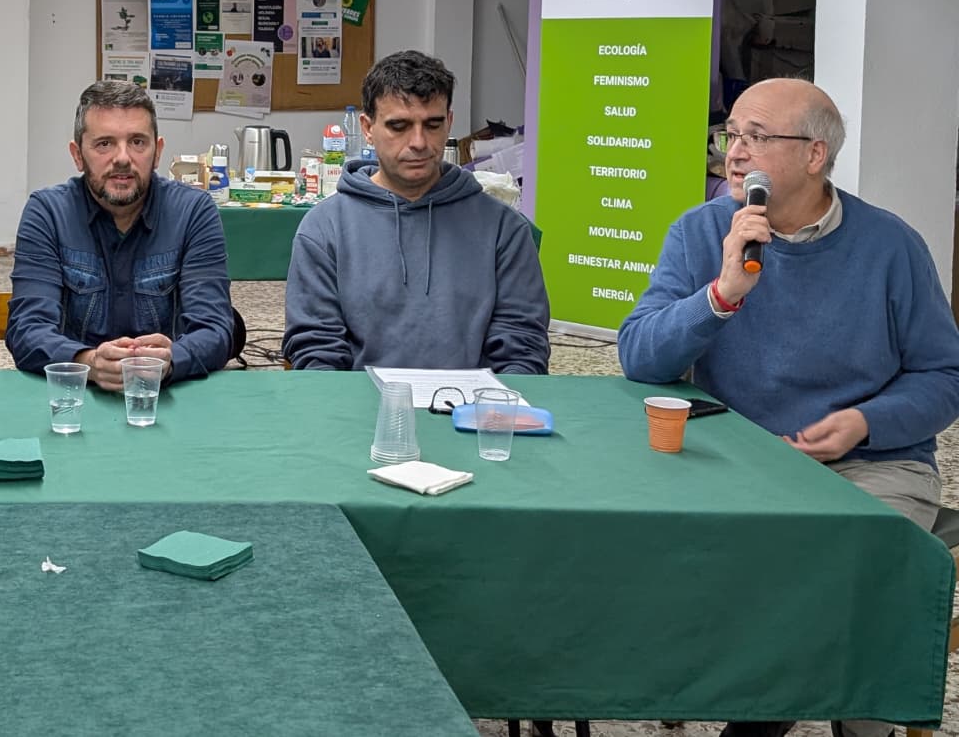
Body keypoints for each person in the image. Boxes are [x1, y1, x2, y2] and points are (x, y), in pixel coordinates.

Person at [618, 78, 959, 737]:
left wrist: (866, 421)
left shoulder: (892, 247)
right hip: (739, 460)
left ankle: (845, 726)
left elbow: (944, 376)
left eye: (756, 137)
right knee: (681, 557)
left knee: (860, 570)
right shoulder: (702, 232)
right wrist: (721, 292)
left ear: (814, 156)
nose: (735, 154)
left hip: (871, 463)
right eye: (731, 135)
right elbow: (639, 357)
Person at [283, 51, 549, 373]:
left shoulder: (504, 229)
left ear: (449, 122)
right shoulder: (324, 230)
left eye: (433, 124)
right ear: (368, 128)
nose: (419, 142)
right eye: (399, 126)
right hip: (358, 415)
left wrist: (490, 416)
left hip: (471, 414)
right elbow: (316, 351)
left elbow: (521, 350)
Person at [6, 80, 236, 390]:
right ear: (77, 155)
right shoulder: (47, 212)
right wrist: (88, 362)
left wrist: (170, 361)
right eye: (105, 143)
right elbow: (26, 329)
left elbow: (216, 329)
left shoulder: (193, 211)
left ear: (158, 152)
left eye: (138, 142)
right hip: (75, 398)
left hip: (167, 397)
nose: (123, 158)